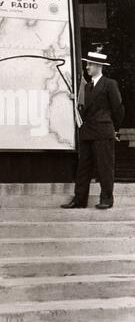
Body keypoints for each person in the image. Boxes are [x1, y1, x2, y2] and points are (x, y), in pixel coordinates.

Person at [61, 50, 124, 210]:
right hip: (88, 132)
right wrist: (75, 101)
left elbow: (118, 109)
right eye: (87, 64)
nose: (87, 67)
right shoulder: (87, 87)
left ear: (98, 66)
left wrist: (113, 129)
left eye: (89, 64)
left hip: (103, 132)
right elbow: (85, 110)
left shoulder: (110, 84)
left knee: (105, 167)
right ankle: (79, 200)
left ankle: (106, 199)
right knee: (83, 168)